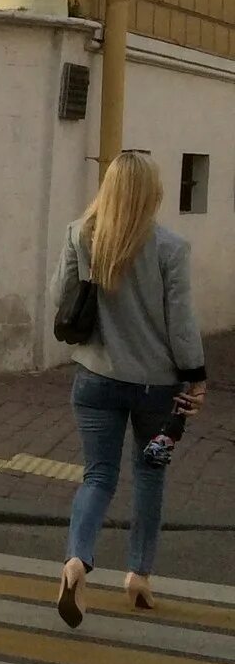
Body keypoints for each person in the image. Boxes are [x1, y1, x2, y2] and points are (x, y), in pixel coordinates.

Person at [50, 149, 206, 625]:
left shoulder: (82, 235)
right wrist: (195, 375)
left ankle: (77, 561)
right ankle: (138, 576)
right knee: (150, 476)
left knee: (97, 476)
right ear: (153, 193)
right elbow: (180, 325)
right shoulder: (170, 248)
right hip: (157, 389)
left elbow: (60, 299)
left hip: (95, 379)